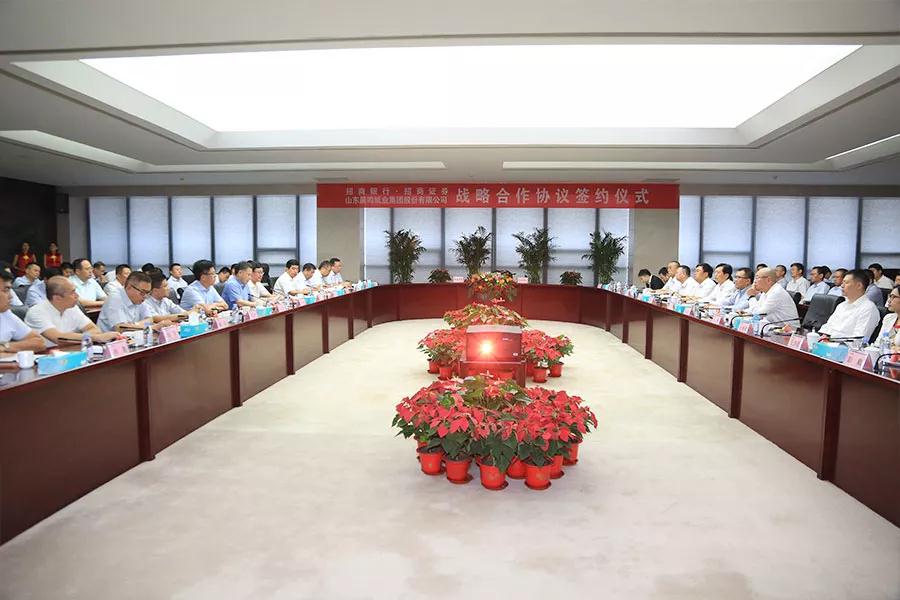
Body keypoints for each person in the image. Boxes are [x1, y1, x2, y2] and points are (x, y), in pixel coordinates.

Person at [25, 276, 120, 346]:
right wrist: (96, 338)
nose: (77, 296)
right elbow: (58, 338)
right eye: (72, 292)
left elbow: (94, 329)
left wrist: (81, 338)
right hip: (44, 358)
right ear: (57, 298)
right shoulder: (36, 312)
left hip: (71, 351)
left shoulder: (72, 307)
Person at [819, 269, 881, 340]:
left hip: (843, 345)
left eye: (846, 283)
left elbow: (858, 339)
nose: (842, 286)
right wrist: (824, 336)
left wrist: (831, 338)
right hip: (828, 342)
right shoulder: (841, 305)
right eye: (842, 282)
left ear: (859, 285)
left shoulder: (868, 308)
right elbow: (827, 326)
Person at [0, 271, 45, 354]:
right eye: (6, 290)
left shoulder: (6, 314)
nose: (11, 296)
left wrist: (5, 346)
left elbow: (40, 342)